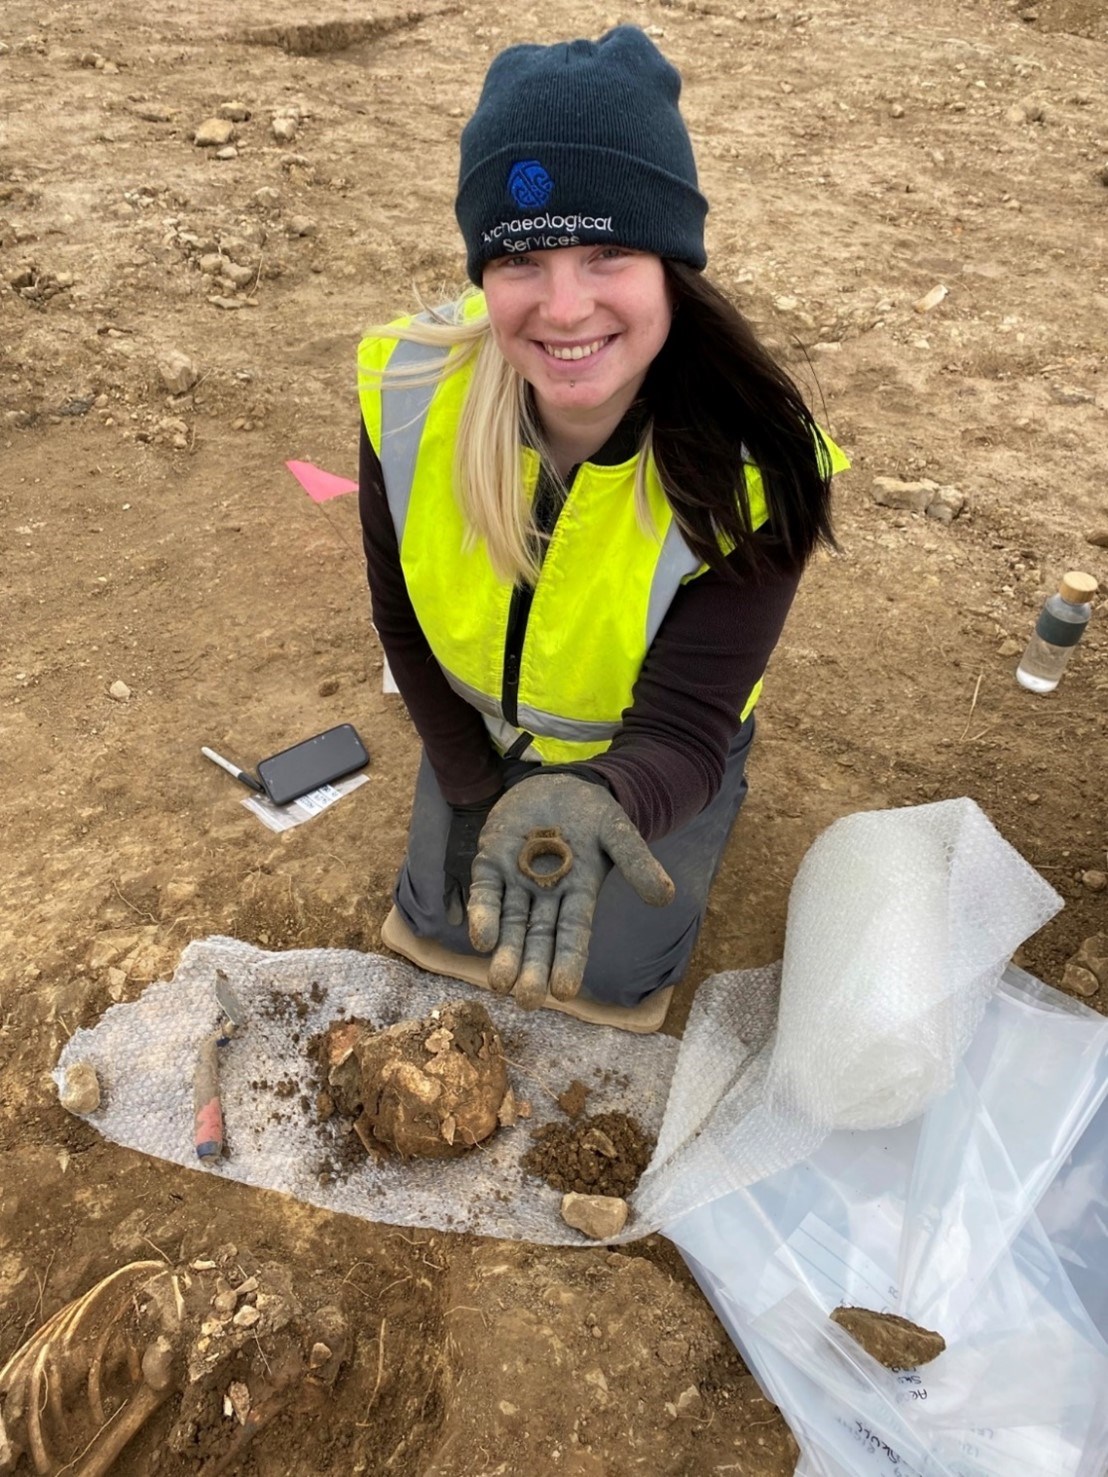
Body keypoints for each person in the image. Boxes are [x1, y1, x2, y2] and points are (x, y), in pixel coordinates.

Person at [358, 26, 847, 1015]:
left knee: (608, 978)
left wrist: (601, 800)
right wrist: (465, 782)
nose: (565, 306)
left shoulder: (759, 464)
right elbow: (401, 617)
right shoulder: (406, 389)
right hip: (484, 726)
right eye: (522, 259)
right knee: (443, 921)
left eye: (608, 250)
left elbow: (687, 720)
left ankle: (687, 820)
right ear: (482, 271)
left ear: (672, 261)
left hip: (647, 752)